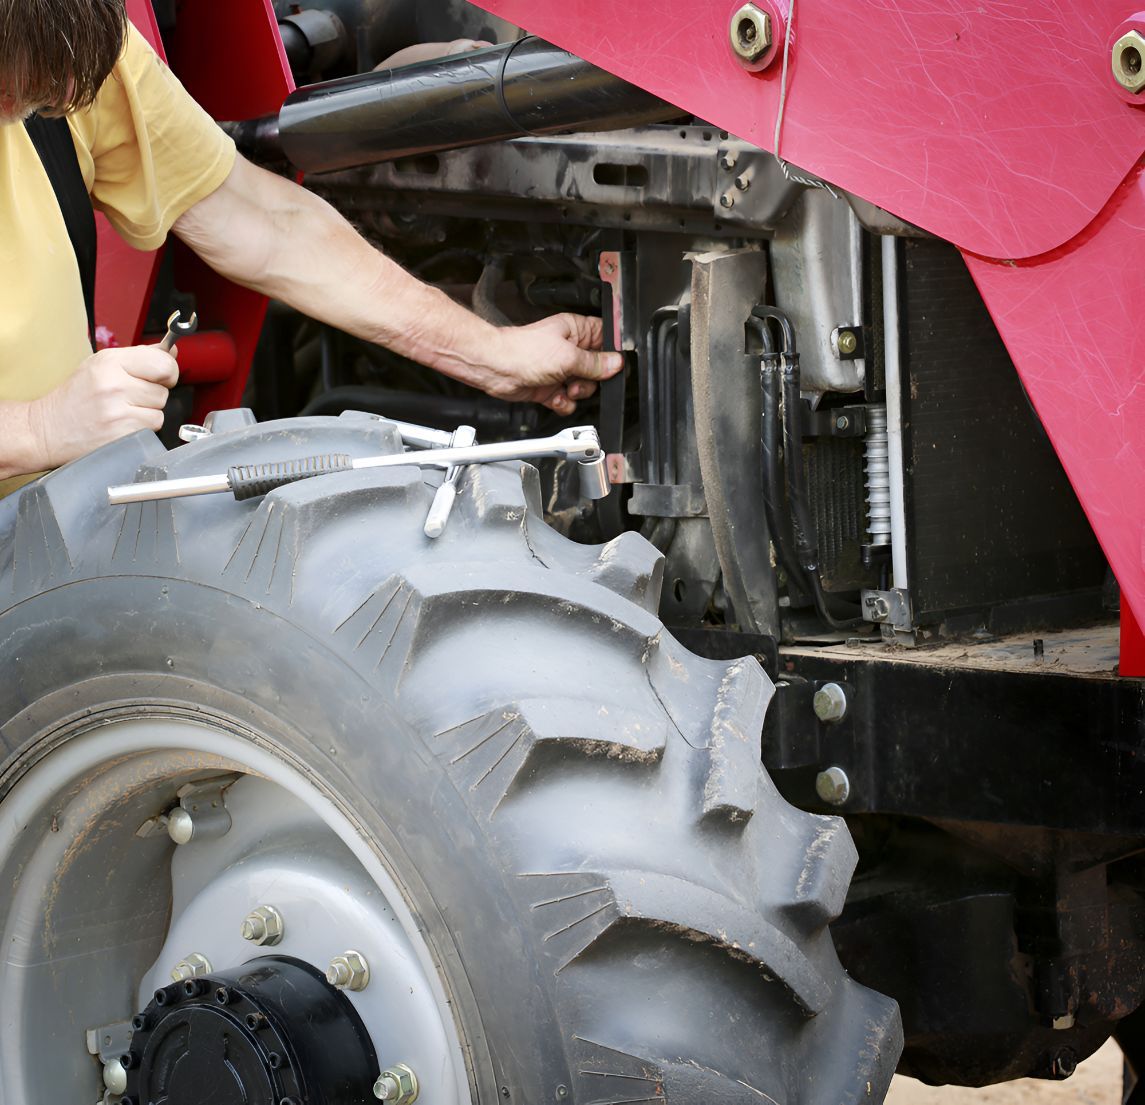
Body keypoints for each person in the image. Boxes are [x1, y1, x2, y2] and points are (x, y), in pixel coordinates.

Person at [0, 2, 622, 493]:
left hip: (56, 522)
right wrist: (36, 430)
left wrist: (493, 354)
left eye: (32, 103)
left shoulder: (58, 38)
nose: (18, 116)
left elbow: (268, 224)